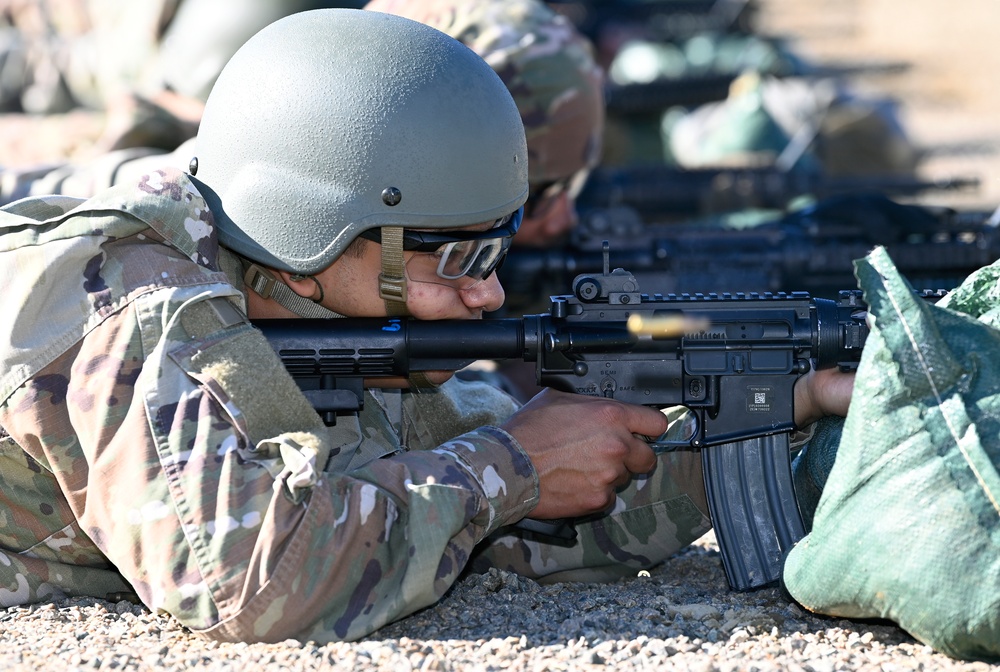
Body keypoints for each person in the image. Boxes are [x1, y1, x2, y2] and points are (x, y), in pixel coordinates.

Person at [0, 8, 851, 643]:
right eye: (456, 261)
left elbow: (452, 529)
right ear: (312, 239)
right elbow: (254, 582)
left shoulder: (320, 304)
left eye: (496, 253)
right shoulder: (133, 300)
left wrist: (767, 415)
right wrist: (510, 465)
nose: (486, 296)